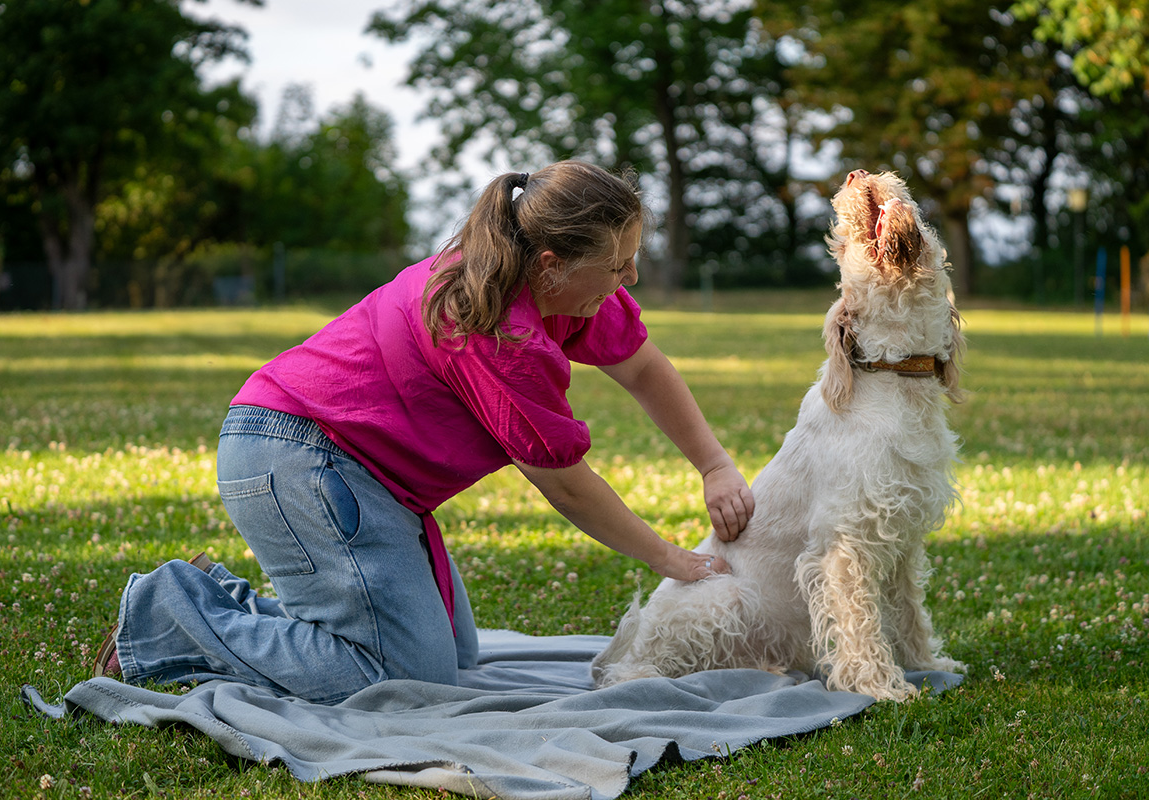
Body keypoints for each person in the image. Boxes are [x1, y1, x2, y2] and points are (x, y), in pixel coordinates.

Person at [93, 160, 755, 704]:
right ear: (551, 263)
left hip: (361, 479)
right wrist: (673, 561)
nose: (630, 280)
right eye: (619, 267)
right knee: (402, 680)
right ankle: (168, 615)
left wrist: (715, 464)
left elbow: (641, 366)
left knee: (455, 658)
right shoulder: (500, 332)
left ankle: (218, 604)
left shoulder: (564, 288)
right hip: (300, 458)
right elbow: (568, 488)